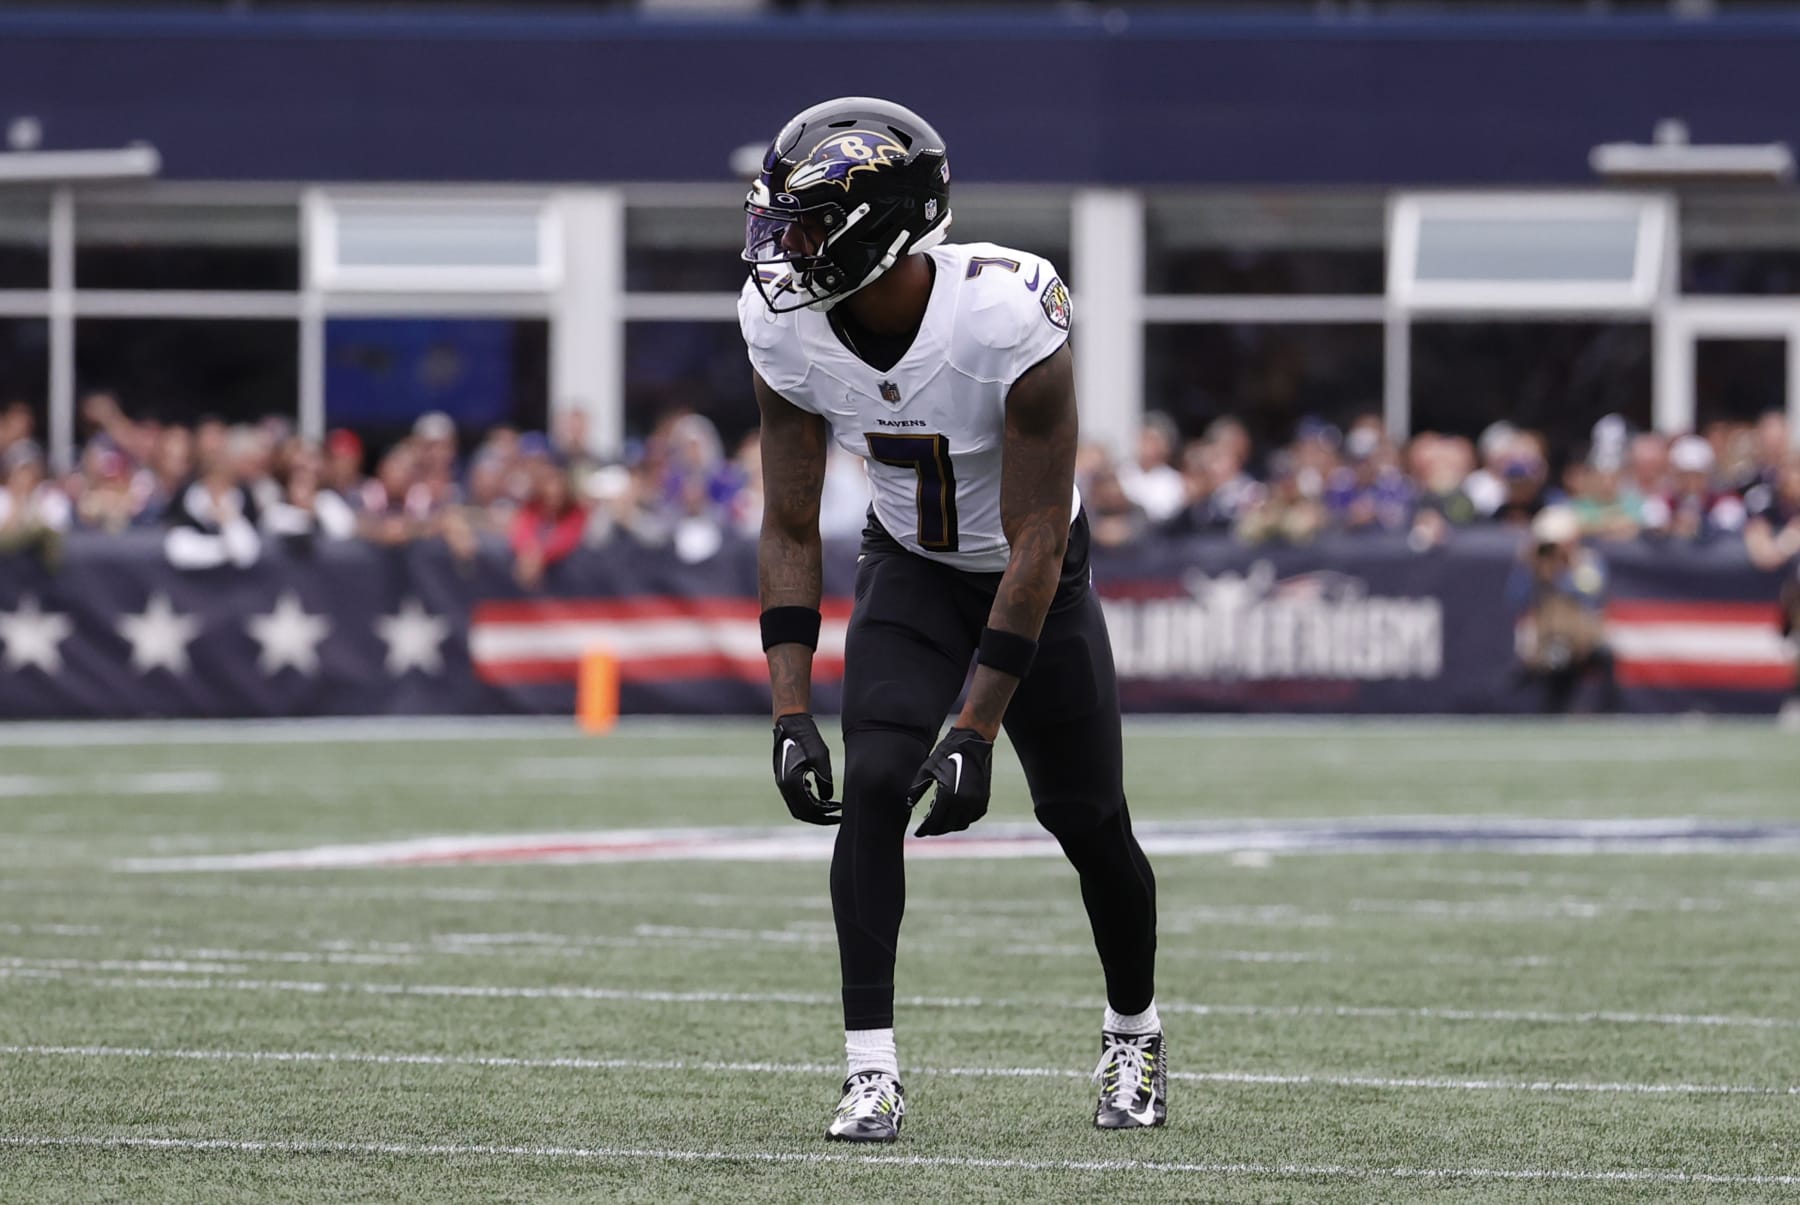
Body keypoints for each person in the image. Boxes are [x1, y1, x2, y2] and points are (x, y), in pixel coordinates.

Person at [739, 97, 1162, 1143]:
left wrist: (973, 732)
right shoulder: (783, 325)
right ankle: (869, 1067)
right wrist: (789, 709)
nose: (781, 248)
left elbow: (1034, 541)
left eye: (804, 224)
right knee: (876, 779)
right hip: (911, 566)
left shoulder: (1007, 312)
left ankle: (1134, 1030)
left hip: (1035, 573)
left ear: (879, 229)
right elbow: (791, 519)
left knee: (1088, 819)